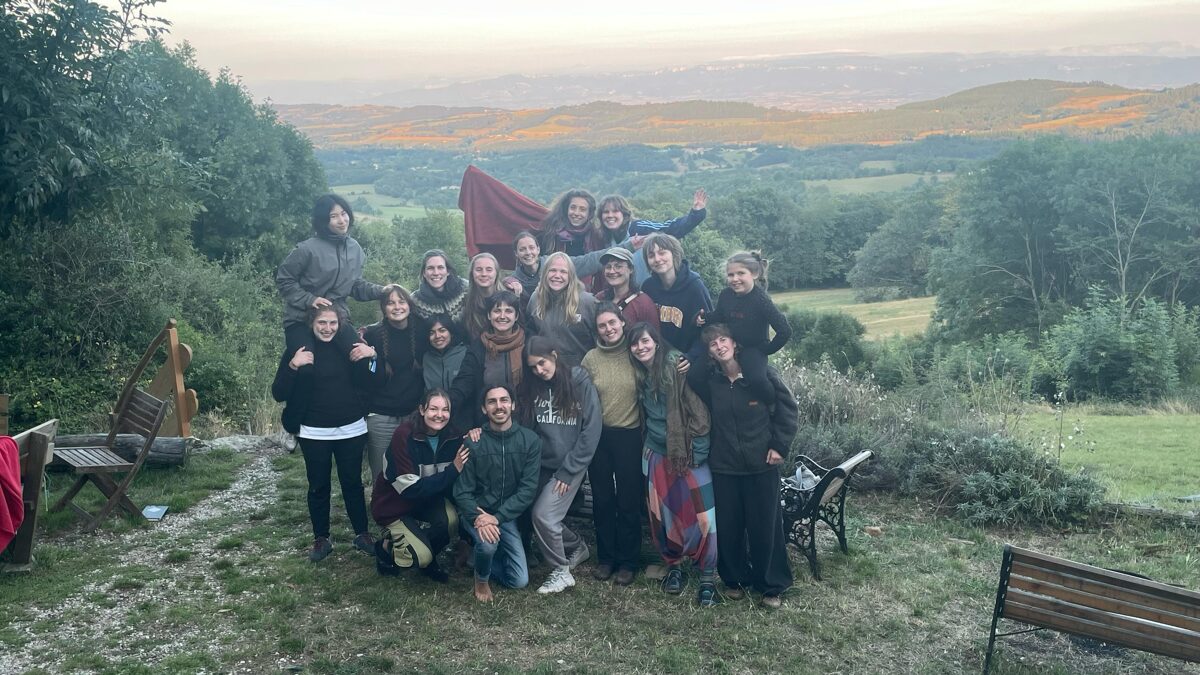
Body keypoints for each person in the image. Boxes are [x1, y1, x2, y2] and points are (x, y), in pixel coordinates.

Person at [697, 324, 798, 608]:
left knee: (765, 526)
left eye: (723, 339)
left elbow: (788, 410)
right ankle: (734, 579)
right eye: (712, 343)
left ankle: (771, 585)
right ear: (709, 352)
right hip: (724, 466)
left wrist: (779, 446)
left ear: (734, 342)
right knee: (729, 526)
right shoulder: (711, 382)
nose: (719, 345)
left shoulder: (760, 375)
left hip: (761, 464)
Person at [272, 306, 379, 562]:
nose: (327, 328)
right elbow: (278, 392)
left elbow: (372, 380)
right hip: (313, 430)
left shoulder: (348, 349)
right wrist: (292, 365)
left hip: (351, 427)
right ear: (312, 323)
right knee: (318, 486)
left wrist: (373, 355)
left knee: (352, 483)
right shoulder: (300, 351)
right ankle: (322, 539)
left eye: (332, 323)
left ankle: (362, 534)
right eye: (322, 322)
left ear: (340, 325)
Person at [627, 322, 718, 607]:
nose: (641, 347)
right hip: (656, 451)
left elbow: (699, 415)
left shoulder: (676, 367)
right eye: (635, 344)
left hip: (687, 452)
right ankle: (674, 566)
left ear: (656, 341)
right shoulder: (640, 372)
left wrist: (697, 453)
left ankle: (707, 575)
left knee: (704, 516)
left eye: (645, 341)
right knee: (664, 514)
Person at [518, 337, 602, 594]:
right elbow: (529, 429)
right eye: (532, 367)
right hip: (541, 463)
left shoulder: (579, 382)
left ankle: (560, 571)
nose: (539, 371)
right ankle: (577, 546)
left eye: (541, 363)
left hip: (570, 466)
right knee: (533, 511)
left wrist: (570, 469)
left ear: (554, 354)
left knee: (544, 515)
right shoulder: (533, 387)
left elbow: (592, 430)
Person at [453, 385, 542, 602]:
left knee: (519, 581)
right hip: (475, 513)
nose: (499, 406)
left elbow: (527, 490)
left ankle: (477, 559)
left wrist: (497, 518)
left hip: (505, 516)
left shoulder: (530, 441)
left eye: (504, 400)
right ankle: (481, 578)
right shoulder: (473, 441)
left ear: (513, 405)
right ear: (484, 409)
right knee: (488, 544)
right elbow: (462, 491)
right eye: (492, 401)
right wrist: (479, 518)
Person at [370, 390, 469, 582]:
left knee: (451, 522)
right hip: (393, 504)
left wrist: (477, 432)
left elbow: (472, 444)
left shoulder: (452, 436)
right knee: (421, 556)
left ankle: (425, 555)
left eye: (445, 409)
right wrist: (453, 470)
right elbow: (410, 490)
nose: (439, 415)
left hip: (427, 500)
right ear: (422, 409)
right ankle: (386, 549)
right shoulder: (404, 435)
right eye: (433, 408)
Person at [580, 303, 643, 585]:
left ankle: (629, 561)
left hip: (630, 435)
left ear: (622, 322)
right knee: (603, 499)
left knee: (629, 499)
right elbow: (580, 397)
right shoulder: (591, 359)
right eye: (602, 325)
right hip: (599, 437)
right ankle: (606, 558)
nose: (608, 329)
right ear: (597, 330)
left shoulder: (636, 354)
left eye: (612, 323)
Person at [276, 194, 383, 356]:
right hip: (300, 319)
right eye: (334, 216)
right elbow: (284, 281)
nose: (341, 220)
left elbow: (355, 286)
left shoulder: (355, 249)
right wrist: (310, 300)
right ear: (323, 221)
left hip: (337, 318)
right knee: (305, 364)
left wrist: (384, 291)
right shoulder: (306, 250)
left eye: (344, 213)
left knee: (363, 358)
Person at [692, 251, 791, 403]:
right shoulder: (726, 295)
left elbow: (784, 330)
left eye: (740, 273)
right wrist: (702, 318)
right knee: (695, 375)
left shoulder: (761, 300)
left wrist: (766, 350)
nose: (735, 279)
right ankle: (712, 407)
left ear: (754, 274)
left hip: (752, 348)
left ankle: (771, 406)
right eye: (731, 275)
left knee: (757, 379)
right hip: (727, 345)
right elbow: (719, 315)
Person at [359, 284, 423, 481]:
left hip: (412, 414)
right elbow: (365, 374)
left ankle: (409, 510)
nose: (397, 307)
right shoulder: (372, 335)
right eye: (390, 303)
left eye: (401, 301)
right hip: (380, 415)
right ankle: (382, 508)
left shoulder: (421, 330)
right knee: (381, 472)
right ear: (383, 308)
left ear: (409, 305)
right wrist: (372, 356)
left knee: (411, 468)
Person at [590, 189, 708, 287]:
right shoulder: (603, 238)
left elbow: (669, 228)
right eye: (606, 212)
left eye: (615, 211)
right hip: (621, 296)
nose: (610, 215)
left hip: (648, 293)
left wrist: (696, 215)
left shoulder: (639, 228)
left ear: (624, 214)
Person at [448, 290, 526, 429]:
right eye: (497, 311)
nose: (502, 316)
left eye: (508, 311)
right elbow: (464, 382)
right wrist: (444, 405)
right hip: (487, 424)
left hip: (524, 422)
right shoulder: (478, 347)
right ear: (489, 315)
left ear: (516, 316)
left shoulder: (528, 343)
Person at [503, 230, 634, 304]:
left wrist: (629, 246)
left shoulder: (556, 263)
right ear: (516, 254)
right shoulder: (515, 281)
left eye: (531, 248)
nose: (528, 253)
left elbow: (590, 260)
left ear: (538, 249)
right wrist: (507, 280)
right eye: (522, 249)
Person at [641, 233, 714, 358]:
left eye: (662, 252)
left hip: (690, 356)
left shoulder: (694, 287)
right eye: (651, 255)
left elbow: (709, 329)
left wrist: (691, 356)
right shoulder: (648, 288)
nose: (657, 259)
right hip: (658, 357)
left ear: (674, 254)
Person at [527, 252, 598, 367]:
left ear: (571, 275)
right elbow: (530, 333)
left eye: (563, 272)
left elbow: (599, 340)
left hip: (581, 372)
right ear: (545, 273)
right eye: (552, 270)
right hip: (547, 372)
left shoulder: (587, 302)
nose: (557, 275)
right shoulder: (535, 299)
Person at [594, 247, 660, 329]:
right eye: (608, 267)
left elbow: (653, 338)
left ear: (631, 269)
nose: (612, 271)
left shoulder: (643, 304)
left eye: (618, 266)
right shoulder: (599, 299)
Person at [411, 249, 468, 322]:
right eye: (430, 268)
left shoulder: (466, 288)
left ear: (448, 271)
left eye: (440, 267)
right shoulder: (415, 300)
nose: (436, 273)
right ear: (424, 273)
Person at [537, 189, 595, 257]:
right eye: (573, 208)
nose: (576, 213)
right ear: (566, 209)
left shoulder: (595, 236)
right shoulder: (550, 233)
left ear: (589, 214)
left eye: (582, 209)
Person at [463, 252, 506, 339]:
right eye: (478, 270)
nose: (484, 274)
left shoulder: (508, 298)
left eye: (489, 270)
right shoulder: (465, 301)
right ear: (472, 273)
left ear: (496, 273)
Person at [423, 314, 468, 393]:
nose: (437, 336)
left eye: (442, 330)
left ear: (451, 333)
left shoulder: (466, 353)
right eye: (432, 333)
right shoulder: (427, 359)